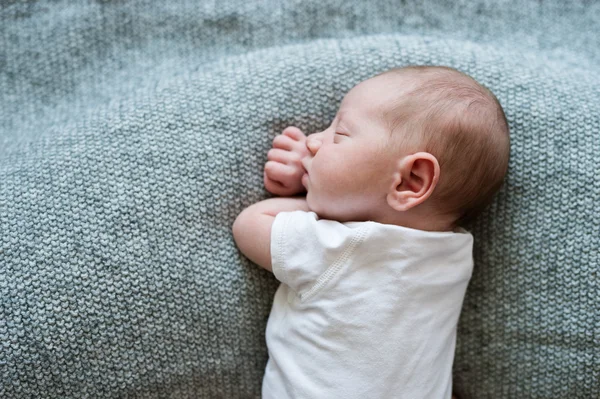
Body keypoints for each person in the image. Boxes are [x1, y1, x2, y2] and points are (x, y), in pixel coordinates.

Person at [232, 65, 510, 398]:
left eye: (339, 134)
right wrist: (316, 177)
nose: (313, 142)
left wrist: (306, 193)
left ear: (410, 181)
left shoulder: (338, 246)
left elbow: (250, 224)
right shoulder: (455, 254)